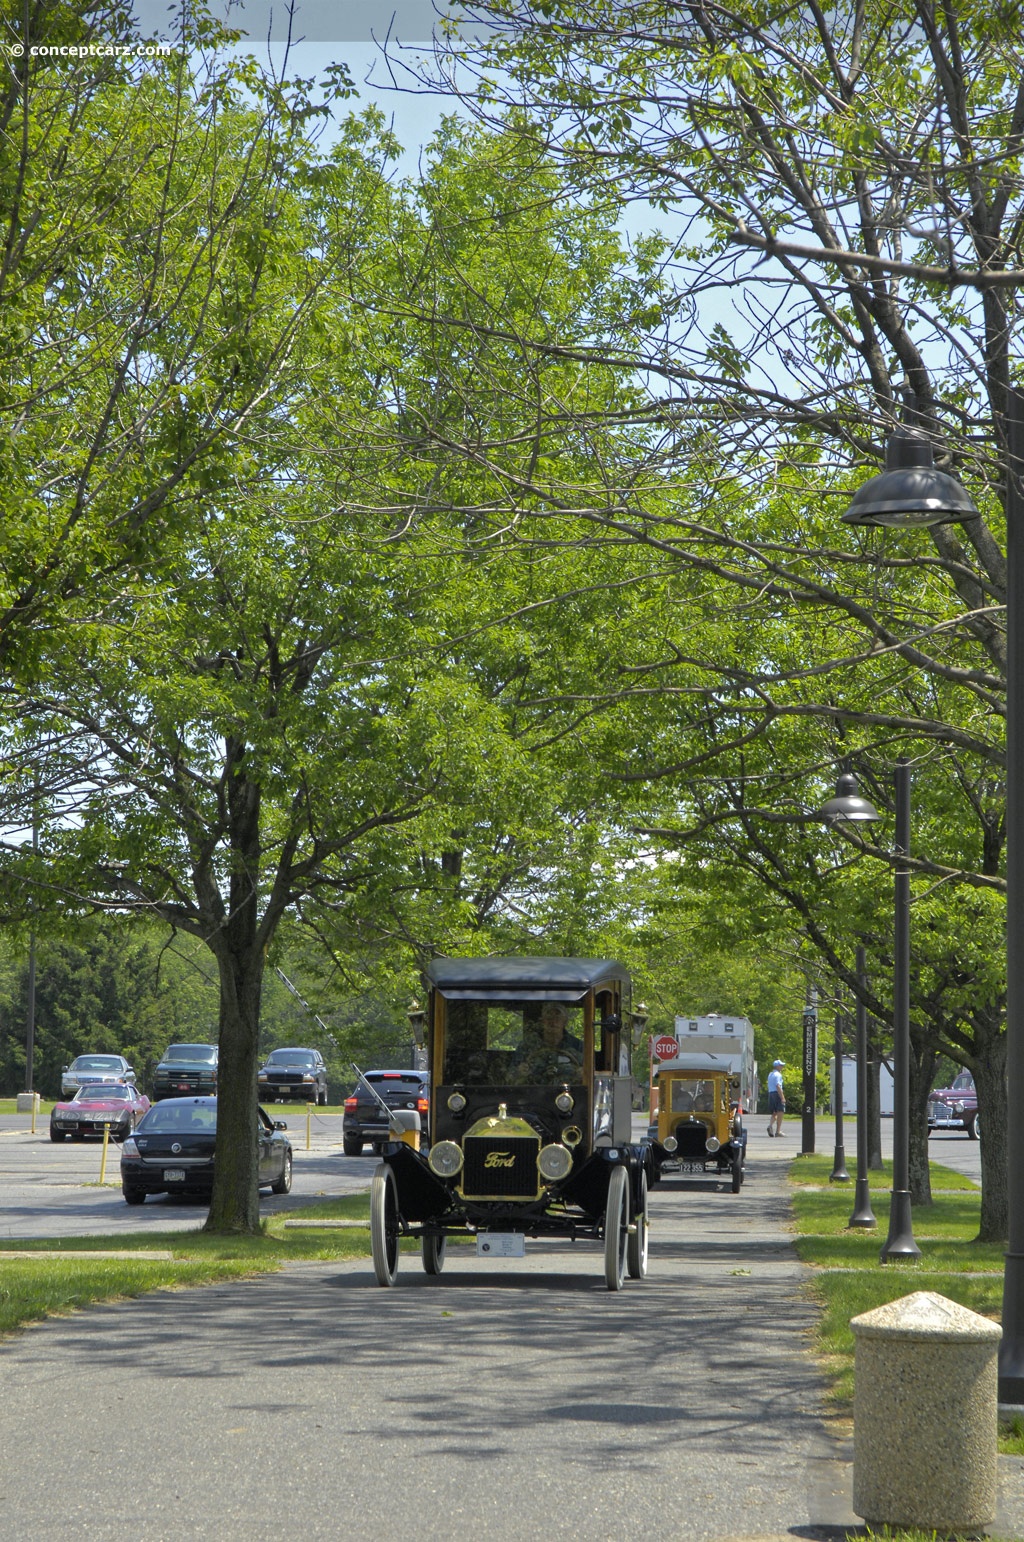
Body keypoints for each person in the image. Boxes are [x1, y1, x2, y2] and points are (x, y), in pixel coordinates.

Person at [516, 1002, 583, 1082]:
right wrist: (519, 1071)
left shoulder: (578, 1046)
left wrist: (582, 1073)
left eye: (557, 1018)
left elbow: (590, 1074)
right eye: (549, 1017)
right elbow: (509, 1075)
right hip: (532, 1091)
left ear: (565, 1022)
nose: (553, 1022)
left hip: (571, 1092)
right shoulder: (527, 1045)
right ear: (542, 1021)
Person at [767, 1059, 786, 1136]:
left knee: (774, 1112)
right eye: (781, 1065)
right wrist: (782, 1097)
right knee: (780, 1112)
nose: (782, 1067)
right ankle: (778, 1131)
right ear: (777, 1066)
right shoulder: (778, 1075)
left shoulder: (770, 1074)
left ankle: (770, 1125)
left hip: (771, 1093)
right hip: (777, 1093)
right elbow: (778, 1086)